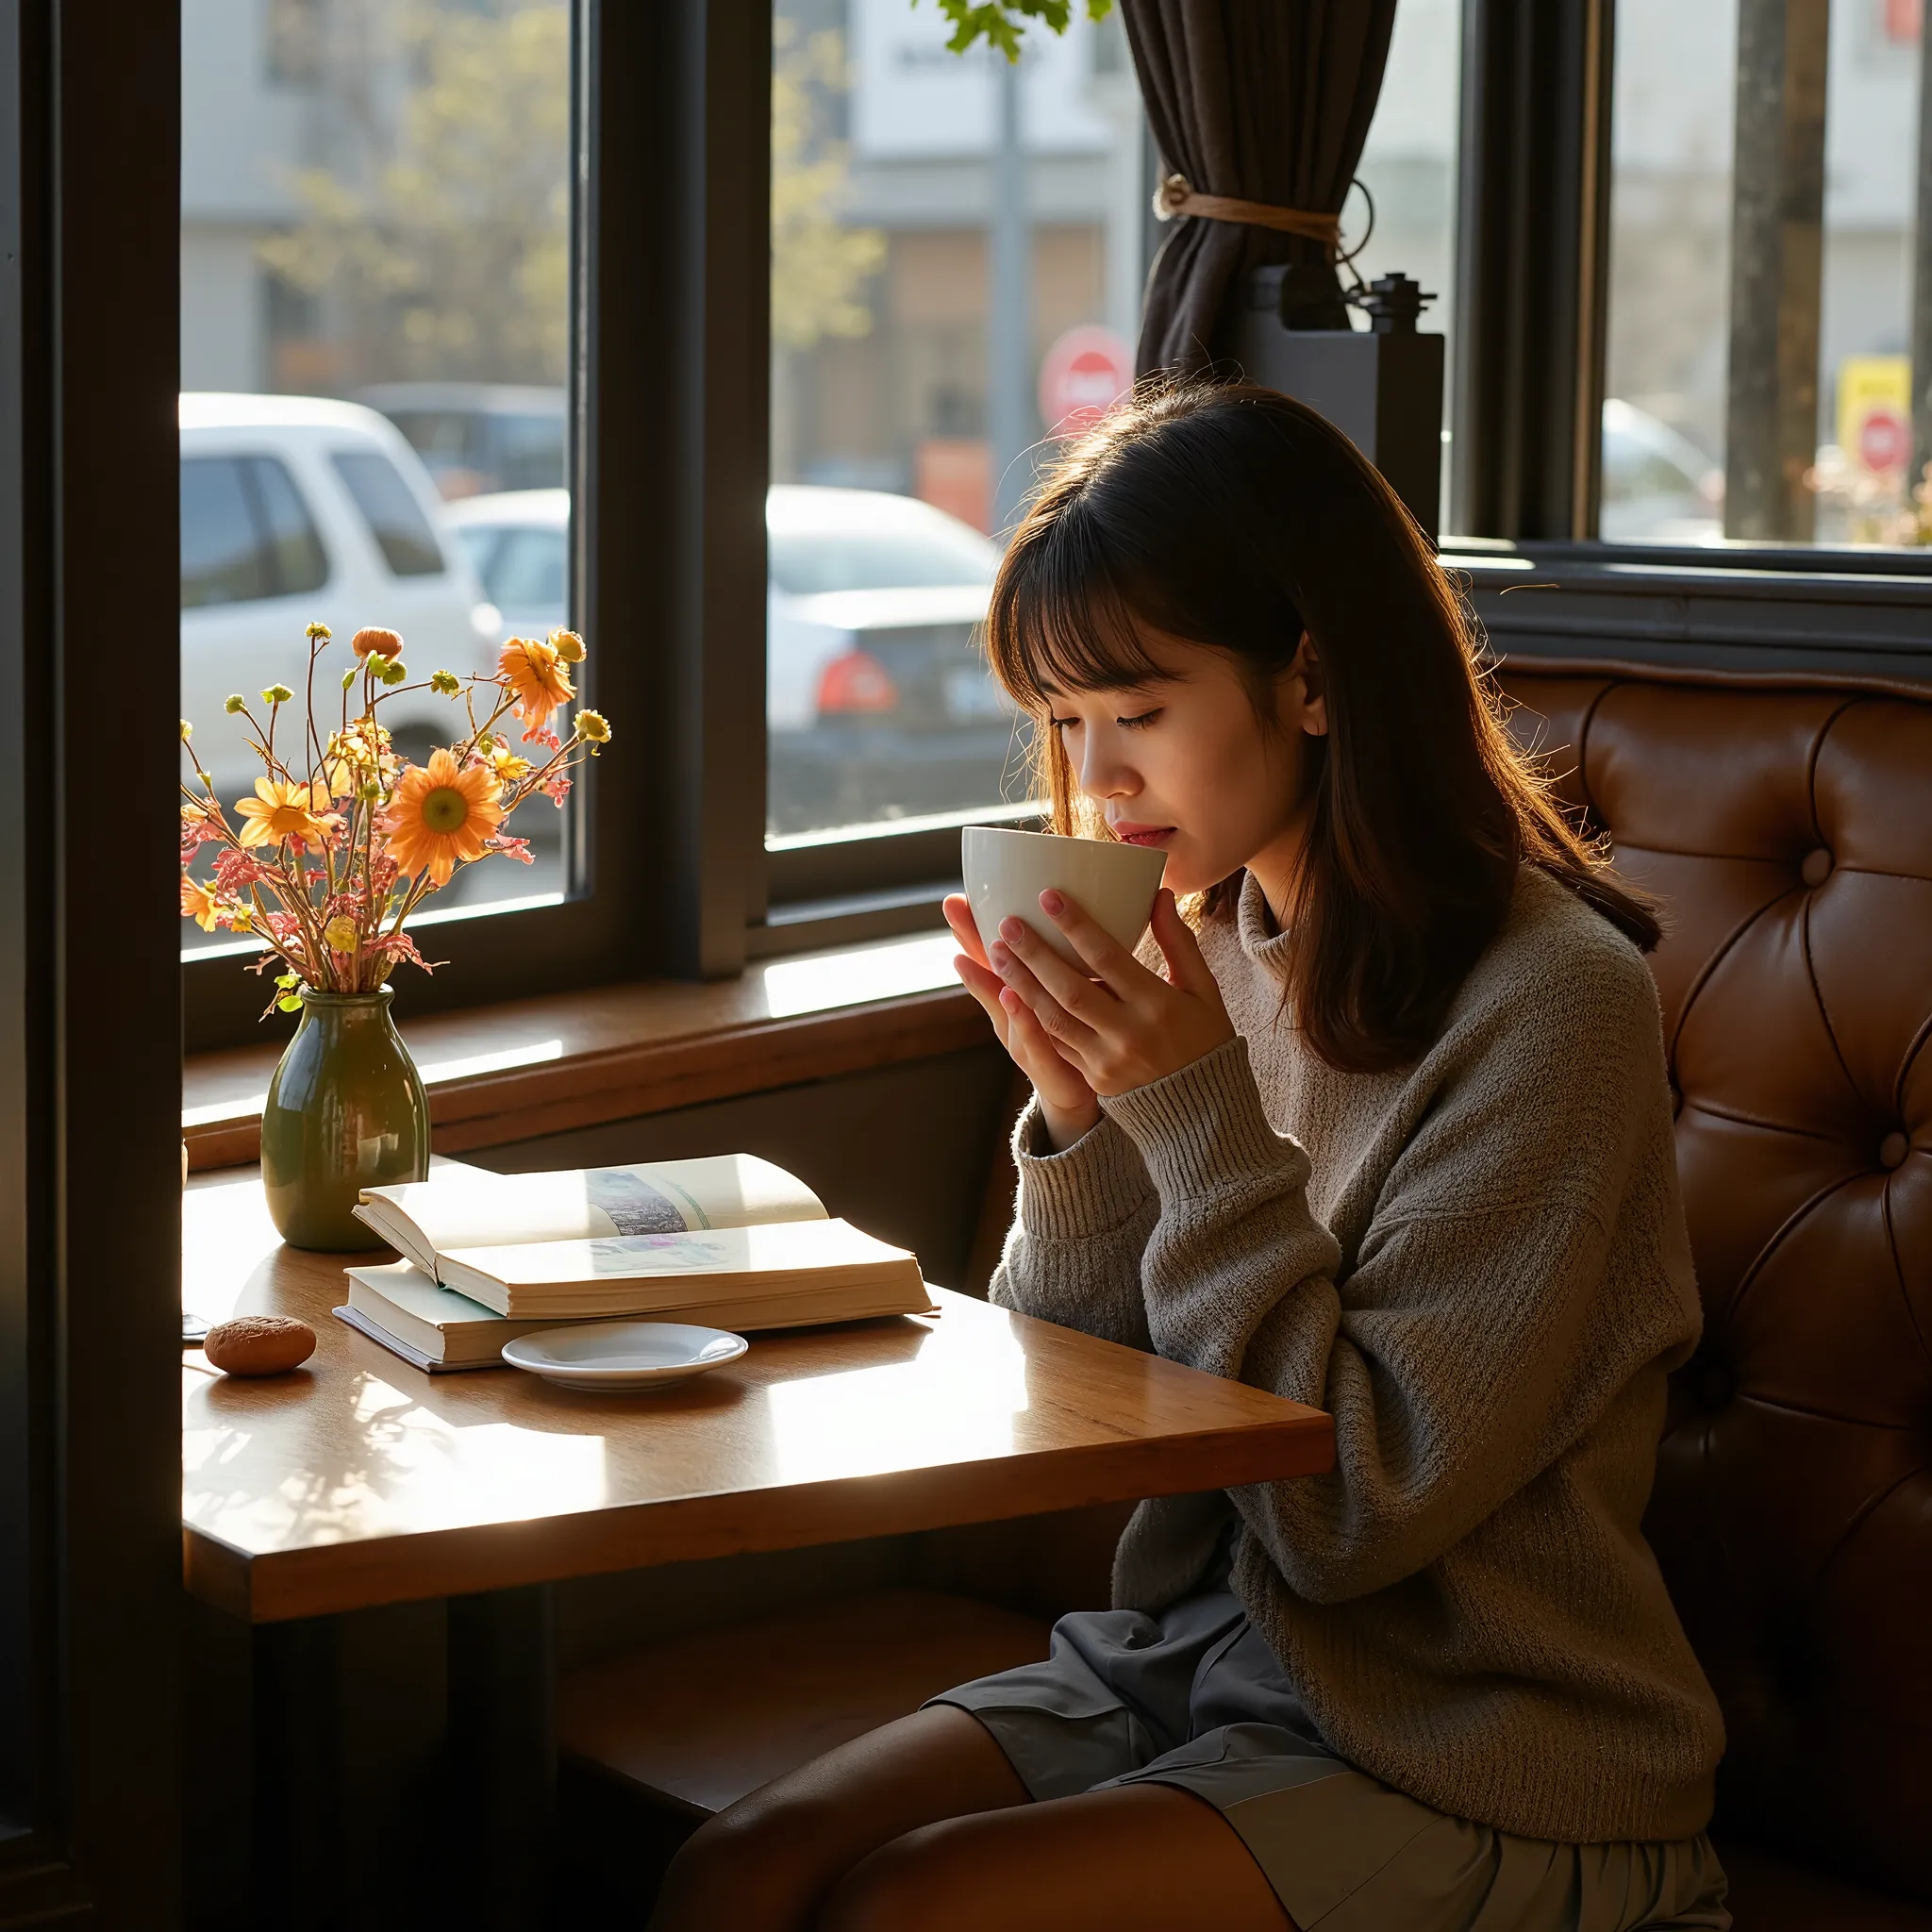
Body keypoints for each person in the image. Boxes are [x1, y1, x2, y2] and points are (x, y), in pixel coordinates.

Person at [646, 381, 1729, 1932]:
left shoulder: (1555, 1006)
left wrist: (1196, 1116)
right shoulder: (1210, 943)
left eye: (1139, 713)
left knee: (917, 1912)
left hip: (1479, 1747)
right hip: (1195, 1657)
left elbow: (1352, 1517)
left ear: (1311, 678)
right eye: (1067, 724)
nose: (1097, 782)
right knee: (734, 1875)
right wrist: (1082, 1126)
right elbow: (1074, 1398)